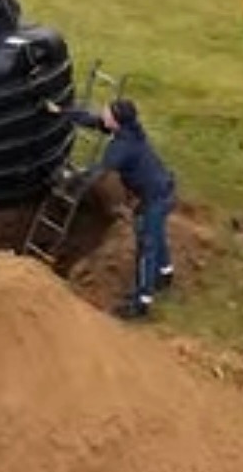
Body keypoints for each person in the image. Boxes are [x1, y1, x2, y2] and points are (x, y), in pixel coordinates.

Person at [48, 97, 176, 320]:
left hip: (154, 197)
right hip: (161, 189)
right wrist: (61, 111)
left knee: (147, 243)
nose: (103, 112)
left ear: (116, 121)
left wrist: (70, 179)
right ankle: (165, 274)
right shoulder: (126, 130)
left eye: (107, 112)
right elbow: (91, 120)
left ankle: (141, 303)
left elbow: (97, 173)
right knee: (156, 234)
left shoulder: (121, 148)